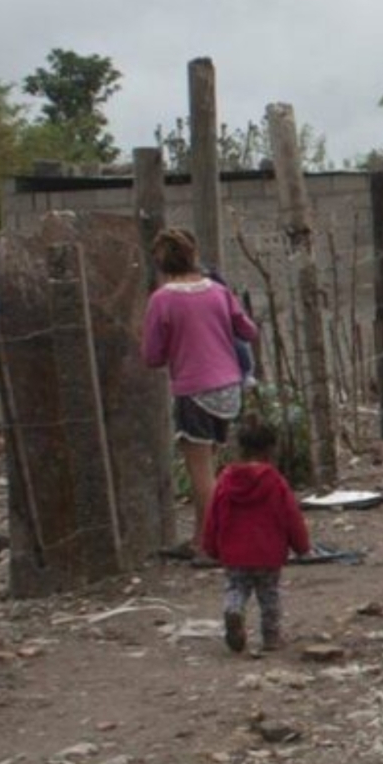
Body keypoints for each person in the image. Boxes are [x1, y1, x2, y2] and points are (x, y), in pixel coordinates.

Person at [143, 229, 259, 559]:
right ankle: (199, 539)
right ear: (193, 256)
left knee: (201, 475)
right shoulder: (218, 292)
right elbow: (248, 330)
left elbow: (152, 356)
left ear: (160, 263)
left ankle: (213, 545)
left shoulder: (162, 300)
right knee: (212, 465)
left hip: (194, 391)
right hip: (229, 389)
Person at [202, 418, 311, 653]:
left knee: (236, 588)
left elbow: (213, 516)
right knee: (269, 595)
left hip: (234, 552)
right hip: (268, 552)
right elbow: (291, 516)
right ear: (271, 449)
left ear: (240, 448)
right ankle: (271, 637)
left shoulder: (225, 480)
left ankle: (233, 610)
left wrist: (210, 547)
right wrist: (302, 546)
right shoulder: (275, 482)